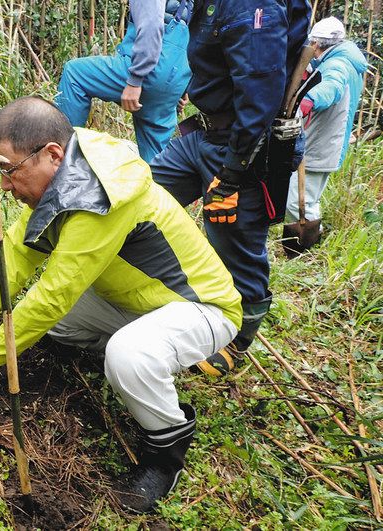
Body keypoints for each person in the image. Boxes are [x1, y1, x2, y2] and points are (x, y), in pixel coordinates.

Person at [0, 97, 242, 512]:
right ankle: (132, 366)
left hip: (200, 308)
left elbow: (54, 291)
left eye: (9, 170)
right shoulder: (66, 176)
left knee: (126, 355)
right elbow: (20, 255)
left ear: (52, 154)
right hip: (136, 301)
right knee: (58, 325)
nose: (5, 185)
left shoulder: (101, 196)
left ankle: (167, 449)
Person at [149, 0, 311, 376]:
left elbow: (260, 94)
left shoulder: (252, 4)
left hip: (244, 144)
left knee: (235, 243)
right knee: (144, 195)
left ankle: (237, 338)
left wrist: (233, 174)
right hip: (202, 134)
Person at [55, 0, 193, 162]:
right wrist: (184, 87)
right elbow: (200, 36)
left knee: (75, 74)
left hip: (151, 69)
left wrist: (136, 78)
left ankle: (61, 157)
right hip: (176, 77)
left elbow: (151, 25)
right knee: (157, 161)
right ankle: (160, 185)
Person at [283, 16, 367, 256]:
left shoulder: (338, 65)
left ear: (319, 45)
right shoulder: (343, 59)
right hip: (326, 140)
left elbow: (331, 88)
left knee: (298, 202)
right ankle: (306, 250)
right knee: (308, 199)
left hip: (322, 143)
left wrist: (307, 101)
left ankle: (298, 252)